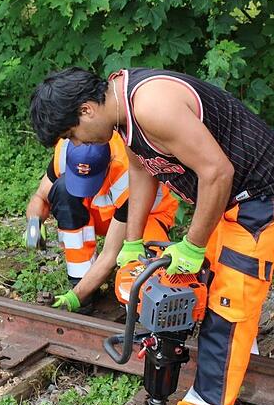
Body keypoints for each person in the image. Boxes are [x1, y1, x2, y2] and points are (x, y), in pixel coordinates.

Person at [30, 67, 274, 405]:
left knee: (227, 307)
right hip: (228, 201)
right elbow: (141, 168)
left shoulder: (151, 106)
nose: (75, 141)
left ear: (85, 111)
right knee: (205, 287)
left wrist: (192, 246)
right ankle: (239, 355)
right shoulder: (122, 112)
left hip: (263, 200)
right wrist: (132, 242)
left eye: (70, 133)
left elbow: (217, 171)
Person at [24, 133, 178, 312]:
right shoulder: (66, 149)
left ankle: (139, 308)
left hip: (145, 216)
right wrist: (34, 223)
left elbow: (110, 255)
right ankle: (82, 280)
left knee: (144, 270)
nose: (85, 189)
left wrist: (73, 298)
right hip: (104, 214)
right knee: (63, 191)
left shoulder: (126, 173)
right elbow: (41, 196)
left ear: (108, 165)